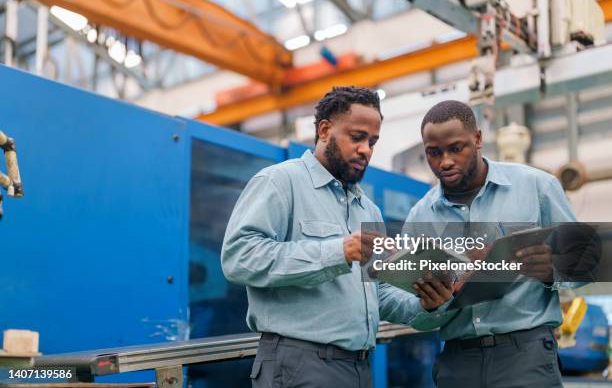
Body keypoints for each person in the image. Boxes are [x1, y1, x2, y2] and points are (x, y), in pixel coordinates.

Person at [221, 86, 452, 388]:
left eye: (373, 141)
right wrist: (337, 252)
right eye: (357, 137)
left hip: (358, 367)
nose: (366, 150)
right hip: (299, 365)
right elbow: (239, 258)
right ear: (325, 130)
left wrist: (426, 305)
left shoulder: (368, 210)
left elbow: (378, 294)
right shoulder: (280, 182)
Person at [405, 100, 578, 388]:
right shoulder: (421, 216)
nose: (445, 161)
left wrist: (552, 269)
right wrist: (429, 305)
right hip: (457, 361)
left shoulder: (537, 187)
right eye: (433, 153)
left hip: (526, 354)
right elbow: (400, 304)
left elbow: (586, 261)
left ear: (478, 139)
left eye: (455, 148)